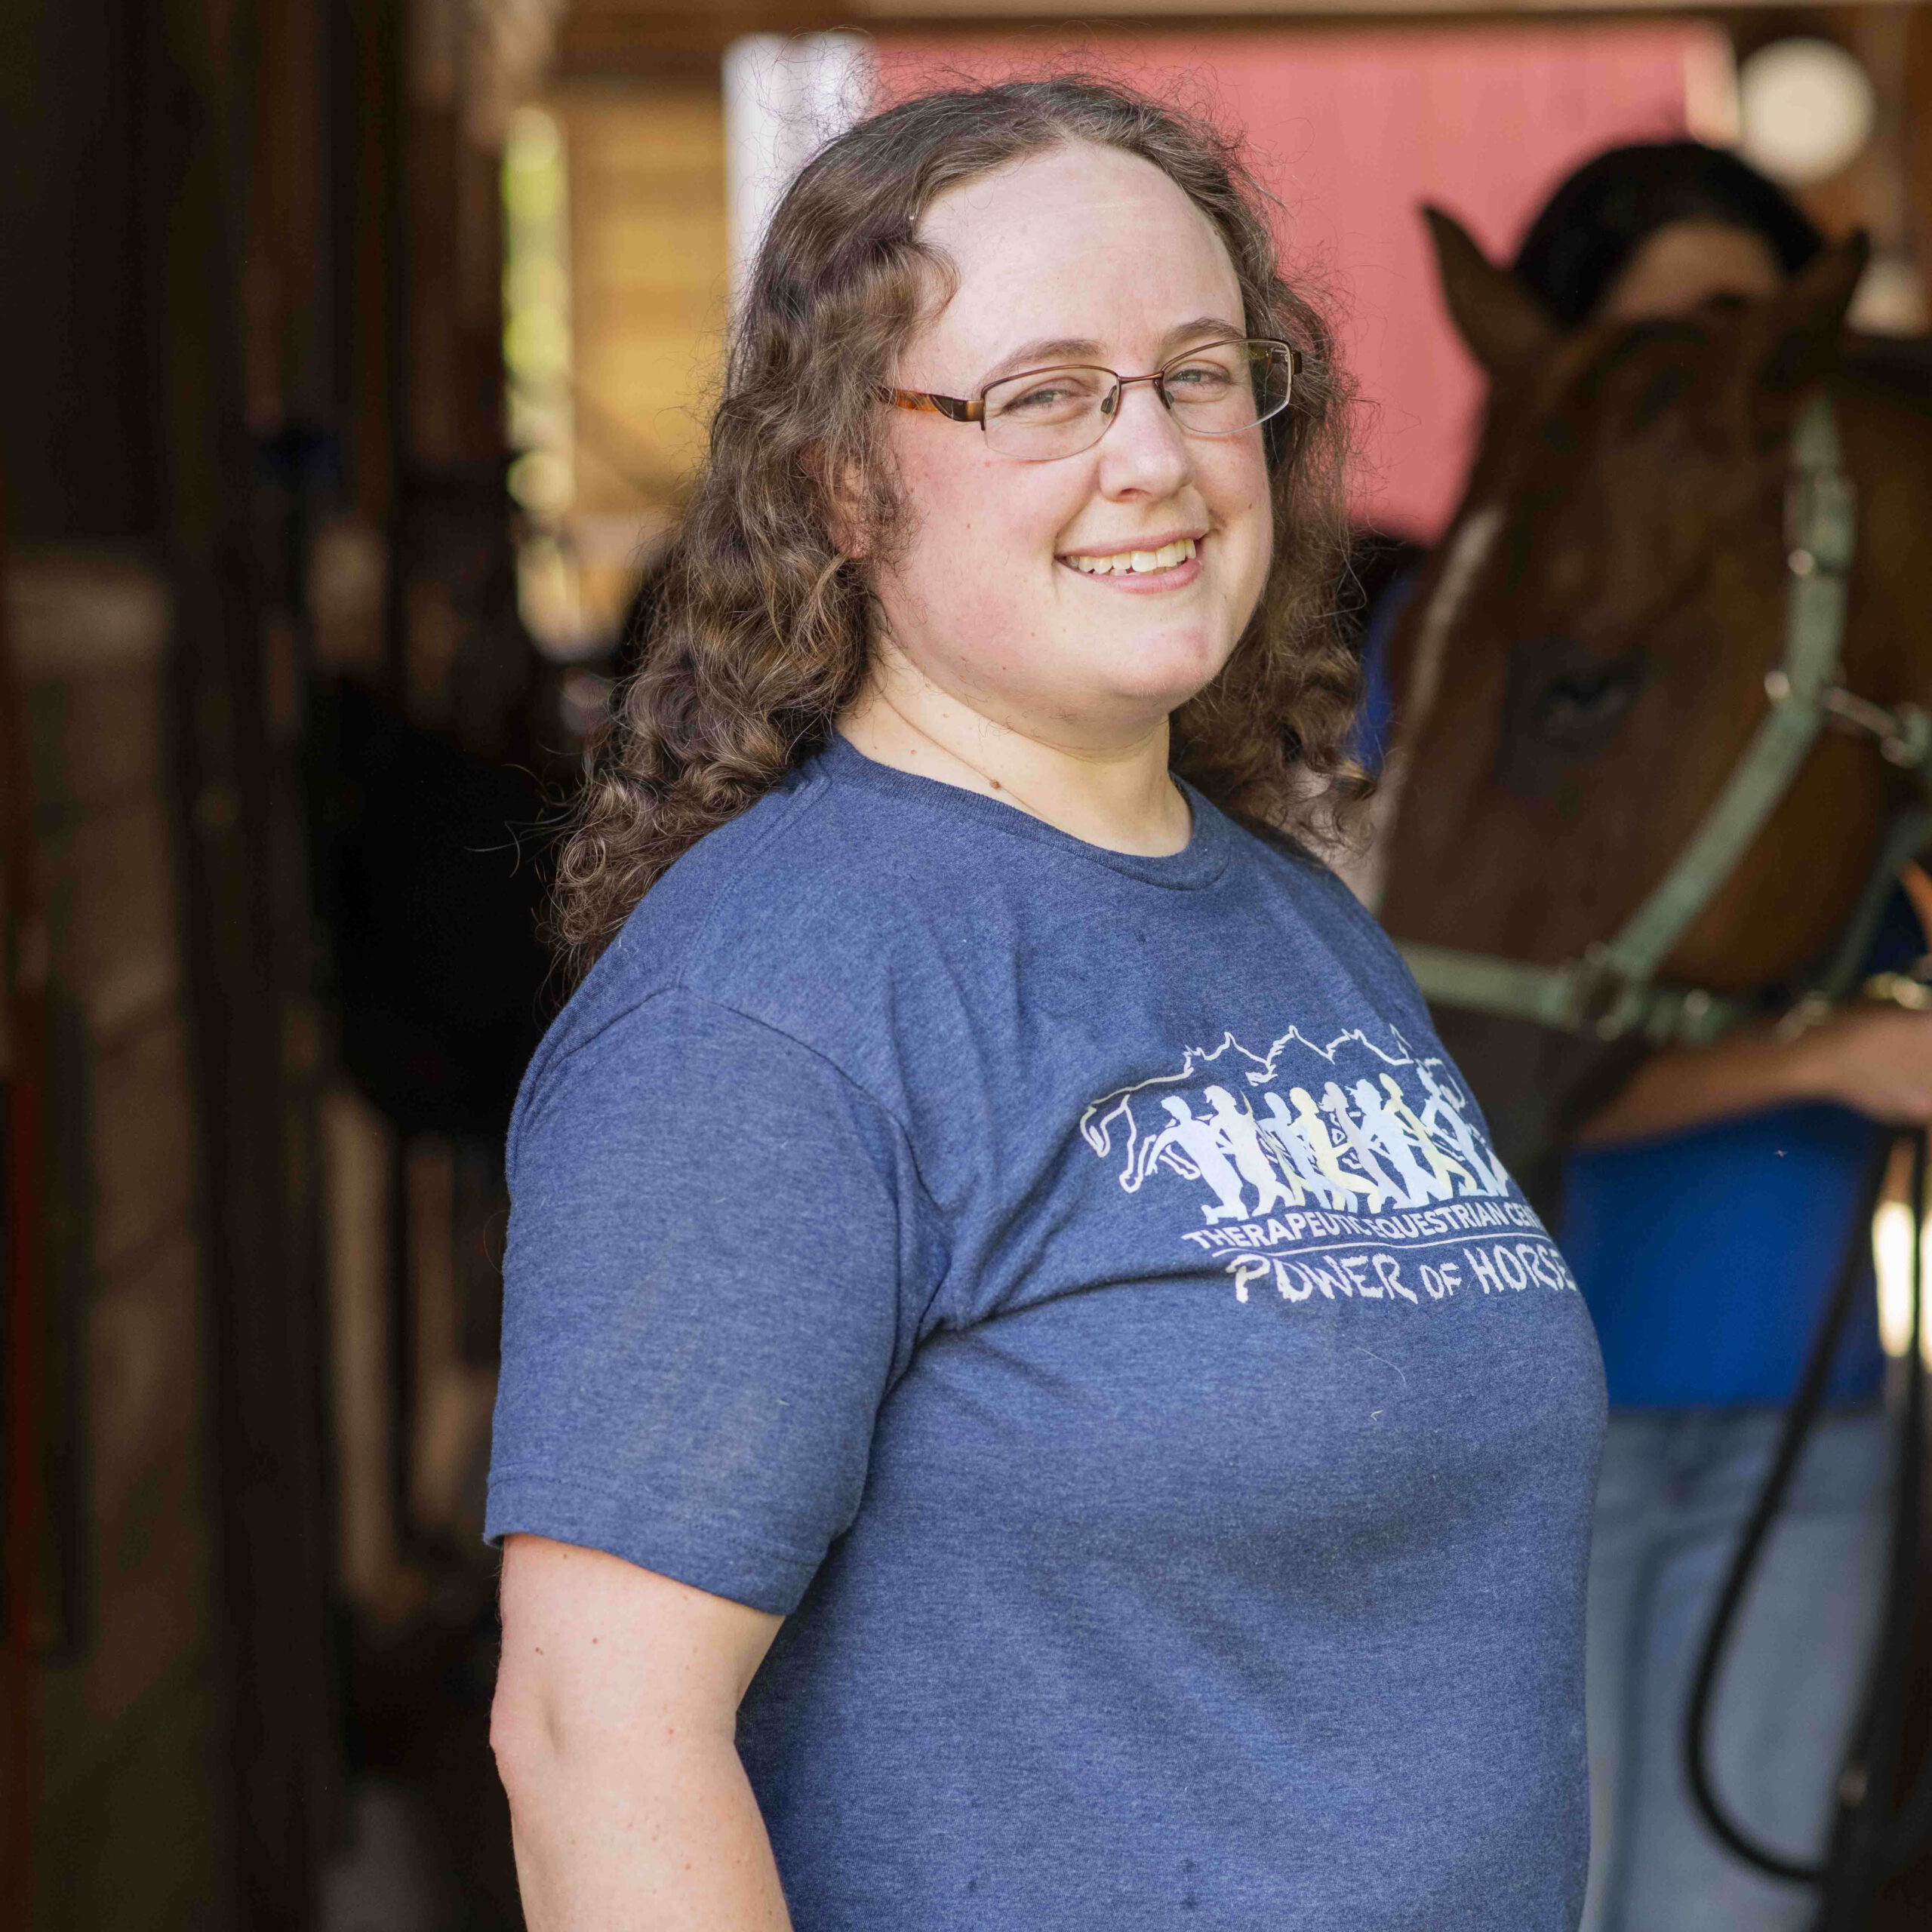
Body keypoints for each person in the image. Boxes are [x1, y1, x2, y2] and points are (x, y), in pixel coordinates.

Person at [485, 78, 1605, 1930]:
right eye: (1042, 395)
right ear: (843, 481)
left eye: (1195, 369)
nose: (1150, 454)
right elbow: (593, 1735)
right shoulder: (766, 1011)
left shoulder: (1294, 926)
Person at [1361, 141, 1907, 1932]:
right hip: (1529, 1406)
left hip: (1796, 1410)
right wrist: (1816, 1059)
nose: (1703, 372)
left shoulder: (1817, 673)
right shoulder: (1476, 653)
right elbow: (1447, 1051)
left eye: (1739, 323)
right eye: (1656, 324)